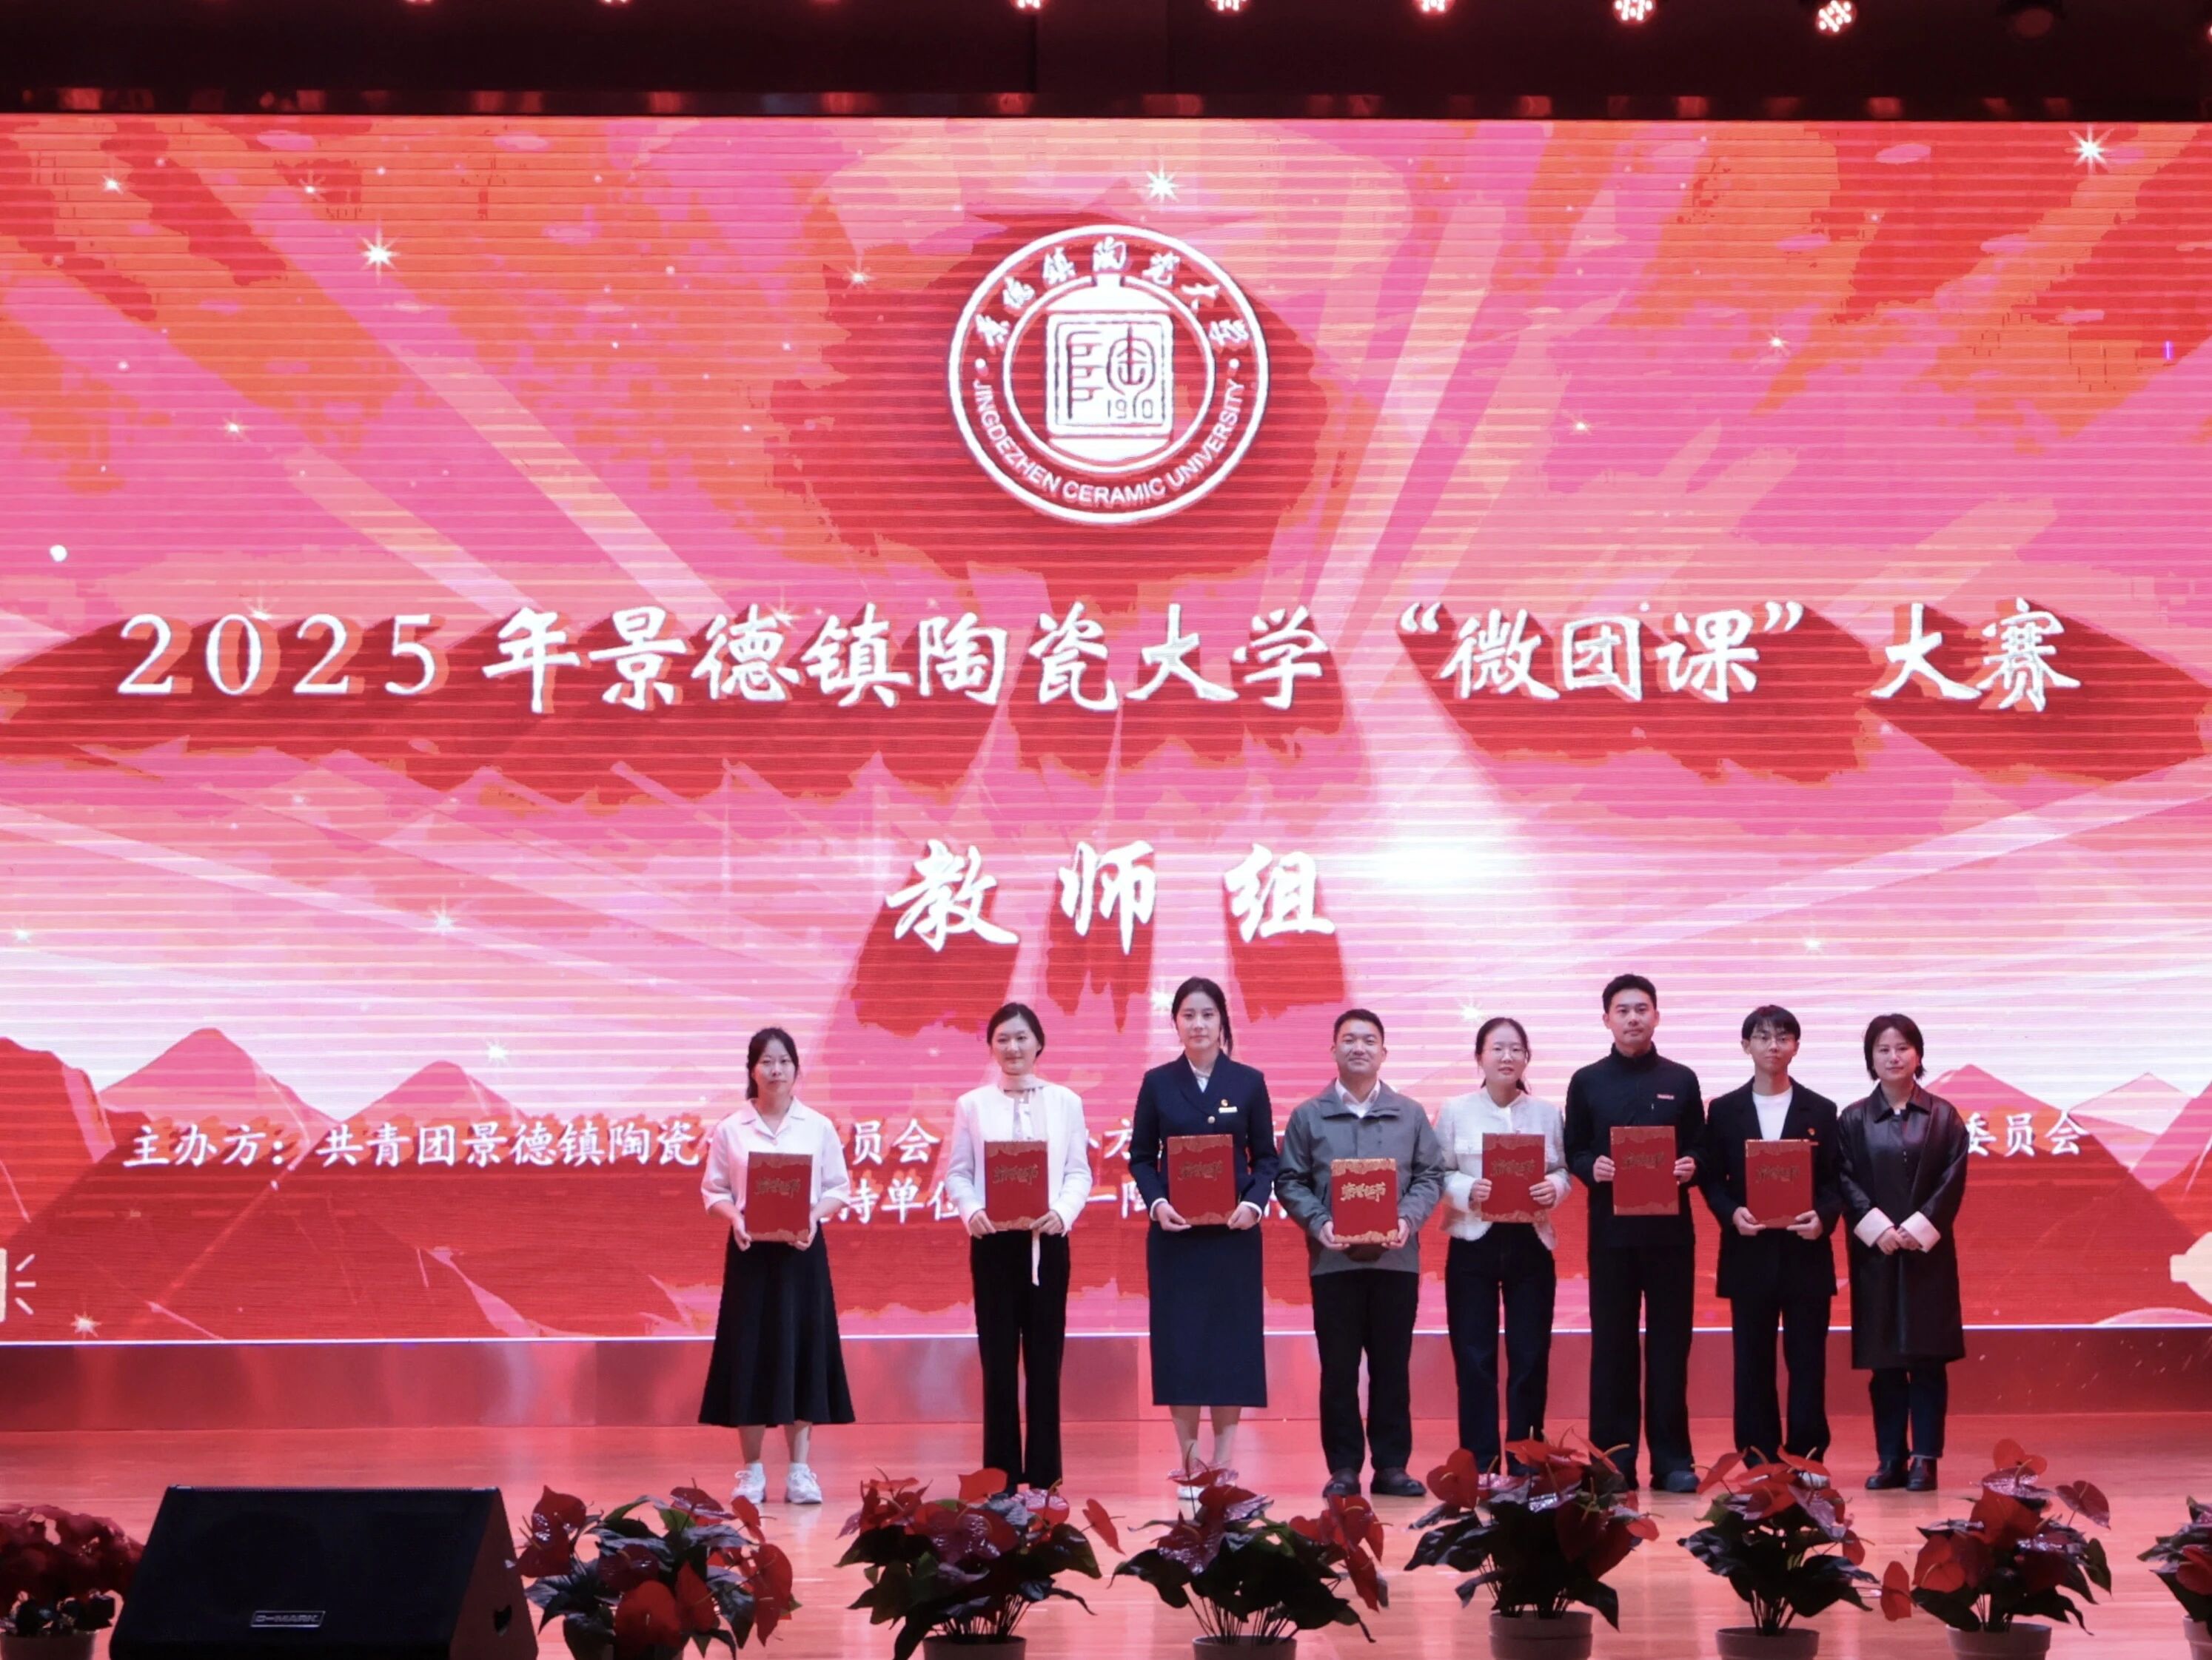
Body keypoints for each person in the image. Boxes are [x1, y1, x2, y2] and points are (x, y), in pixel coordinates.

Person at [1275, 1009, 1447, 1499]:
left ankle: (1392, 1466)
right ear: (1333, 1050)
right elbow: (1290, 1180)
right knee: (1339, 1368)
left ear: (1384, 1052)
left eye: (1369, 1040)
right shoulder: (1309, 1115)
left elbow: (1430, 1176)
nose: (1359, 1047)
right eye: (1349, 1039)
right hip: (1333, 1262)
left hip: (1396, 1260)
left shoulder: (1409, 1113)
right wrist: (1319, 1222)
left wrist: (1406, 1219)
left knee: (1392, 1366)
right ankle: (1344, 1468)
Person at [1129, 975, 1278, 1478]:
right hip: (1176, 1237)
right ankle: (1191, 1462)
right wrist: (1157, 1203)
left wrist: (1254, 1204)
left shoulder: (1249, 1081)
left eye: (1208, 1014)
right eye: (1188, 1014)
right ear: (1175, 1022)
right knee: (1182, 1342)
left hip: (1234, 1235)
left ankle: (1226, 1461)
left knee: (1231, 1342)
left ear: (1222, 1022)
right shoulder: (1157, 1082)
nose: (1198, 1024)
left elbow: (1267, 1158)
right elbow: (1141, 1157)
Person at [700, 1026, 854, 1506]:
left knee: (801, 1350)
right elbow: (714, 1190)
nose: (775, 1070)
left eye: (784, 1061)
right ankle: (750, 1471)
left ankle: (800, 1470)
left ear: (796, 1069)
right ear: (752, 1070)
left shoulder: (818, 1126)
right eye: (766, 1061)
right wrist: (735, 1218)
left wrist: (813, 1215)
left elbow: (839, 1188)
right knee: (749, 1353)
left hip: (802, 1253)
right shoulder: (732, 1128)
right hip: (750, 1254)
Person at [1564, 973, 1706, 1493]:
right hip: (1611, 1235)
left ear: (1656, 1016)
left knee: (1670, 1348)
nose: (1632, 1018)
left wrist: (1692, 1164)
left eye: (1641, 1009)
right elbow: (1573, 1147)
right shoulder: (1587, 1081)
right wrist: (1591, 1167)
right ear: (1606, 1019)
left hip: (1671, 1237)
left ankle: (1672, 1461)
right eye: (1622, 1010)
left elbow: (1702, 1145)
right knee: (1613, 1348)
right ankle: (1613, 1461)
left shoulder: (1682, 1079)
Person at [943, 1002, 1093, 1491]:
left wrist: (1062, 1212)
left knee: (1046, 1363)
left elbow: (1078, 1171)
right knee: (998, 1365)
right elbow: (958, 1173)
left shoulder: (1066, 1102)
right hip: (993, 1246)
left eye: (1022, 1037)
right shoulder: (972, 1105)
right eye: (1003, 1039)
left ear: (1039, 1044)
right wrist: (971, 1210)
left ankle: (1046, 1477)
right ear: (991, 1047)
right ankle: (1001, 1477)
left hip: (1047, 1244)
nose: (1013, 1047)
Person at [1697, 1005, 1842, 1465]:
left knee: (1808, 1363)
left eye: (1783, 1037)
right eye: (1763, 1037)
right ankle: (1758, 1457)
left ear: (1796, 1046)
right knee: (1752, 1362)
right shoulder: (1724, 1111)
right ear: (1746, 1046)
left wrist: (1823, 1218)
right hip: (1749, 1252)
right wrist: (1731, 1214)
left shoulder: (1822, 1110)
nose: (1773, 1046)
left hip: (1805, 1253)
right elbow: (1711, 1179)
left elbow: (1836, 1181)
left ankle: (1808, 1456)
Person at [1837, 1013, 1969, 1493]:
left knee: (1928, 1361)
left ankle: (1925, 1459)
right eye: (1883, 1049)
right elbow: (1843, 1177)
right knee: (1886, 1363)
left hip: (1927, 1255)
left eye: (1902, 1048)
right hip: (1876, 1255)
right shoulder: (1853, 1119)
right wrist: (1878, 1228)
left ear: (1919, 1054)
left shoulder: (1944, 1116)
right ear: (1870, 1059)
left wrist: (1916, 1228)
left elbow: (1952, 1179)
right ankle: (1890, 1457)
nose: (1893, 1057)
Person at [1434, 1016, 1572, 1475]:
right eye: (1497, 1048)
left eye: (1516, 1049)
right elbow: (1436, 1171)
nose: (1507, 1057)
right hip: (1473, 1240)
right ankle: (1481, 1462)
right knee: (1474, 1356)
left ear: (1527, 1058)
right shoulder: (1455, 1110)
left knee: (1530, 1355)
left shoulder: (1547, 1113)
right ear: (1480, 1058)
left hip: (1531, 1242)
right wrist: (1466, 1189)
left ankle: (1527, 1459)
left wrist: (1555, 1187)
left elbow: (1563, 1169)